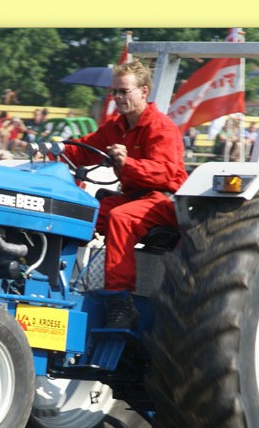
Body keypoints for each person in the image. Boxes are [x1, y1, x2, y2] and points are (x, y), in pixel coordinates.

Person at [62, 59, 187, 328]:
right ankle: (59, 280)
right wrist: (54, 151)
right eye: (114, 92)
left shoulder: (161, 127)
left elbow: (166, 173)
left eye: (124, 91)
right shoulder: (116, 127)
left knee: (121, 217)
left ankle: (120, 301)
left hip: (163, 200)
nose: (117, 97)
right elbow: (82, 149)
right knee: (79, 212)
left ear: (143, 91)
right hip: (133, 196)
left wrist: (127, 163)